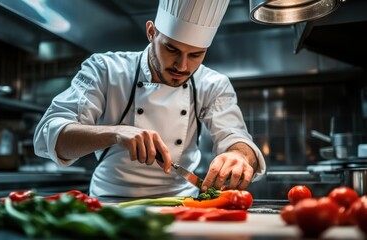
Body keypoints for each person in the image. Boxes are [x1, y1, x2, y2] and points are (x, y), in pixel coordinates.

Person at [33, 0, 266, 198]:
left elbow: (235, 136)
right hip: (110, 201)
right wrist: (116, 133)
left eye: (195, 54)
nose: (182, 66)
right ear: (151, 32)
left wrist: (238, 156)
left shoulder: (212, 83)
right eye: (172, 49)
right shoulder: (106, 69)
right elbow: (48, 135)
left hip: (181, 202)